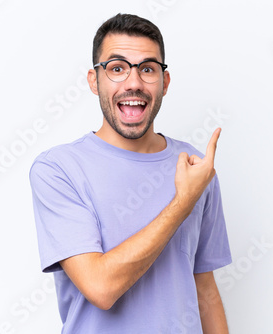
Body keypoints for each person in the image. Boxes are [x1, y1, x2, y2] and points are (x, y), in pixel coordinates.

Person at [29, 13, 232, 333]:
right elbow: (100, 287)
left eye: (148, 69)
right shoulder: (58, 170)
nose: (134, 82)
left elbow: (204, 287)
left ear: (164, 82)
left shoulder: (195, 167)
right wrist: (183, 202)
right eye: (117, 68)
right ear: (94, 81)